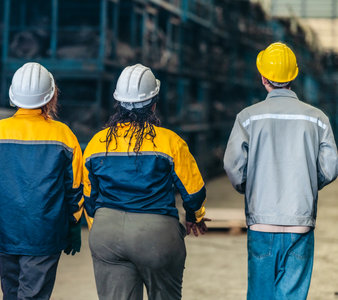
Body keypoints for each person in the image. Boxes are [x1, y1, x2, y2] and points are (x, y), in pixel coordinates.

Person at [83, 64, 209, 300]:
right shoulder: (170, 142)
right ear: (154, 103)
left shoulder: (97, 143)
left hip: (106, 233)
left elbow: (88, 198)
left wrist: (101, 225)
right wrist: (194, 217)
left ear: (118, 102)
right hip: (156, 235)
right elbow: (194, 193)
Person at [224, 42, 338, 300]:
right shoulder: (317, 118)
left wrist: (249, 185)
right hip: (300, 224)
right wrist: (308, 182)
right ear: (293, 76)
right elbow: (330, 167)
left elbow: (233, 166)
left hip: (261, 223)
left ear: (263, 77)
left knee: (261, 295)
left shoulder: (248, 118)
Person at [0, 62, 83, 300]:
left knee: (11, 294)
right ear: (51, 96)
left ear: (13, 95)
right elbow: (75, 187)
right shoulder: (63, 135)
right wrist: (75, 224)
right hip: (45, 233)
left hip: (6, 231)